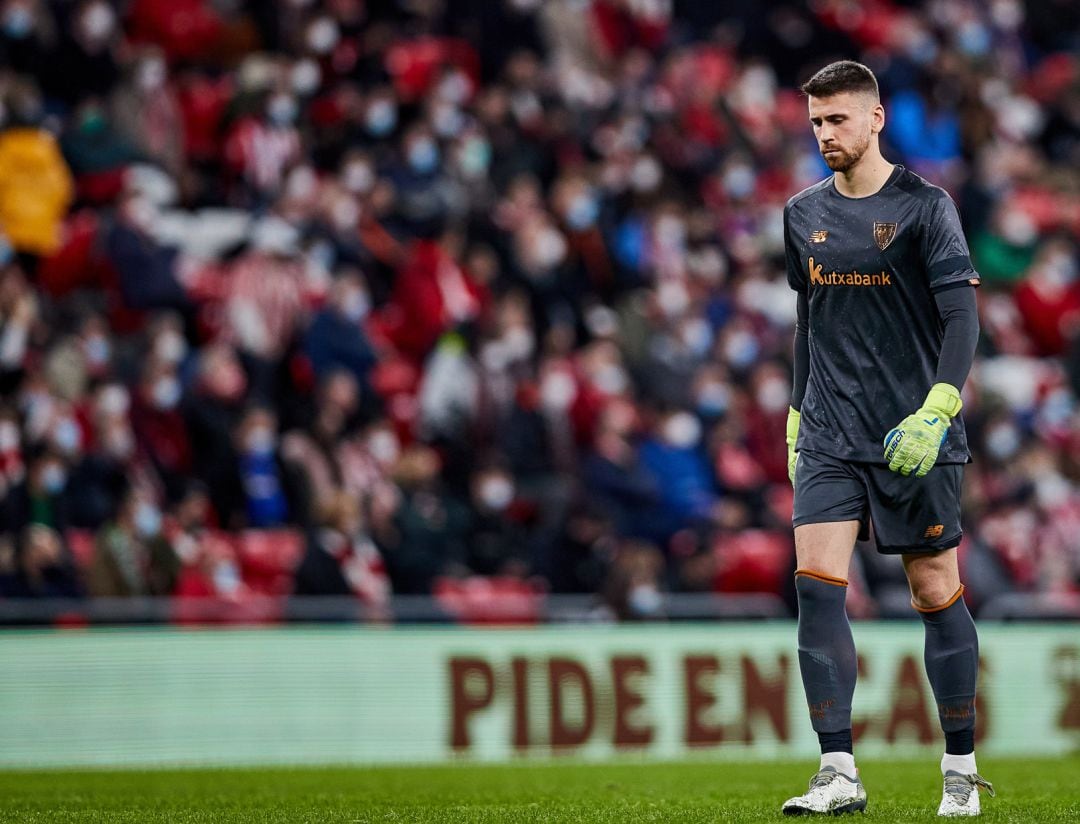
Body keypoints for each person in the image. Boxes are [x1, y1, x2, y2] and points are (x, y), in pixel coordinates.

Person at [780, 61, 991, 817]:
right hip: (833, 428)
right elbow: (808, 318)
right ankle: (838, 769)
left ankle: (959, 766)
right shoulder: (802, 213)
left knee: (933, 590)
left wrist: (939, 408)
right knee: (815, 586)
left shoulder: (926, 207)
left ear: (875, 120)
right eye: (815, 123)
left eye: (837, 120)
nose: (824, 135)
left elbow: (962, 318)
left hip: (913, 433)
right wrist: (798, 412)